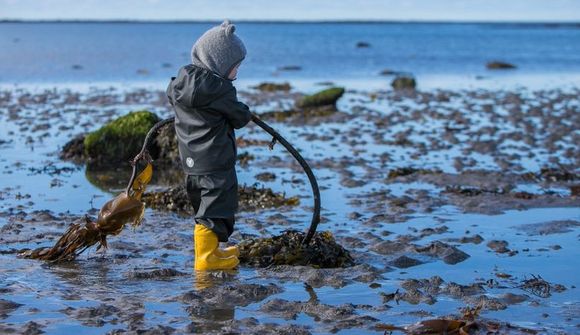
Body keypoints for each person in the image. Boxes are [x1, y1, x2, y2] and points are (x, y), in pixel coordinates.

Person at [166, 20, 251, 271]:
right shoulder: (219, 89)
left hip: (192, 160)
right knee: (215, 207)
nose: (236, 73)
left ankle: (210, 251)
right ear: (219, 63)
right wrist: (245, 110)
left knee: (204, 205)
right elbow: (239, 117)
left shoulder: (179, 83)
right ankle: (205, 259)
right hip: (215, 160)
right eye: (236, 67)